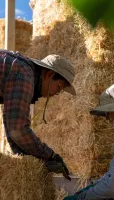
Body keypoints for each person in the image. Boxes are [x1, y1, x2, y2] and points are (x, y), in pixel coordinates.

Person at [0, 50, 76, 179]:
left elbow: (11, 123)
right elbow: (17, 130)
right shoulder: (24, 75)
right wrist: (49, 155)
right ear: (49, 75)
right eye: (58, 87)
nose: (56, 94)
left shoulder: (21, 70)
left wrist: (29, 160)